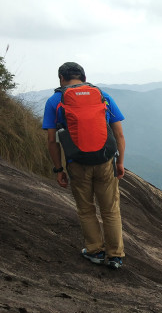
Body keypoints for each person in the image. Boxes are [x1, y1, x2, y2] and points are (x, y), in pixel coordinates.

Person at [43, 62, 126, 269]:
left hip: (77, 163)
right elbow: (119, 134)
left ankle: (95, 251)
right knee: (110, 209)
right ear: (84, 77)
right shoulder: (102, 95)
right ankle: (115, 256)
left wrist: (58, 169)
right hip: (105, 161)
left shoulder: (55, 100)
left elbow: (52, 141)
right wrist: (120, 162)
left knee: (86, 209)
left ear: (61, 78)